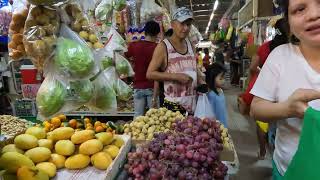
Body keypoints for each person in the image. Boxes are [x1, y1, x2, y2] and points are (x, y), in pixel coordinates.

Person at [250, 0, 320, 178]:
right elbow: (256, 108)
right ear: (289, 23)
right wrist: (287, 108)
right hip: (288, 170)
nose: (313, 15)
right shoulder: (280, 57)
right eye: (299, 9)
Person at [239, 18, 289, 160]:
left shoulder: (266, 47)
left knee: (262, 123)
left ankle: (262, 152)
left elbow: (252, 67)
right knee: (282, 124)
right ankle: (277, 155)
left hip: (267, 91)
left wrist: (265, 74)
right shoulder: (295, 48)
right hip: (286, 92)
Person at [147, 7, 205, 115]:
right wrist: (175, 76)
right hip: (172, 111)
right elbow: (150, 74)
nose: (186, 28)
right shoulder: (163, 47)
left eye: (188, 24)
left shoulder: (191, 45)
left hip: (193, 107)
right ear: (173, 24)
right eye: (182, 24)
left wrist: (201, 80)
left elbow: (194, 67)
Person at [125, 20, 160, 117]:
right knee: (155, 119)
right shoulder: (158, 48)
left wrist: (132, 64)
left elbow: (123, 56)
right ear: (157, 33)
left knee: (138, 119)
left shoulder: (134, 45)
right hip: (153, 87)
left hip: (138, 86)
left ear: (145, 32)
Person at [205, 63, 228, 127]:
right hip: (216, 125)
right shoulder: (211, 94)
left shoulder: (220, 90)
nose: (223, 81)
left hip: (223, 121)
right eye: (221, 79)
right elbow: (211, 112)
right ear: (212, 78)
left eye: (224, 78)